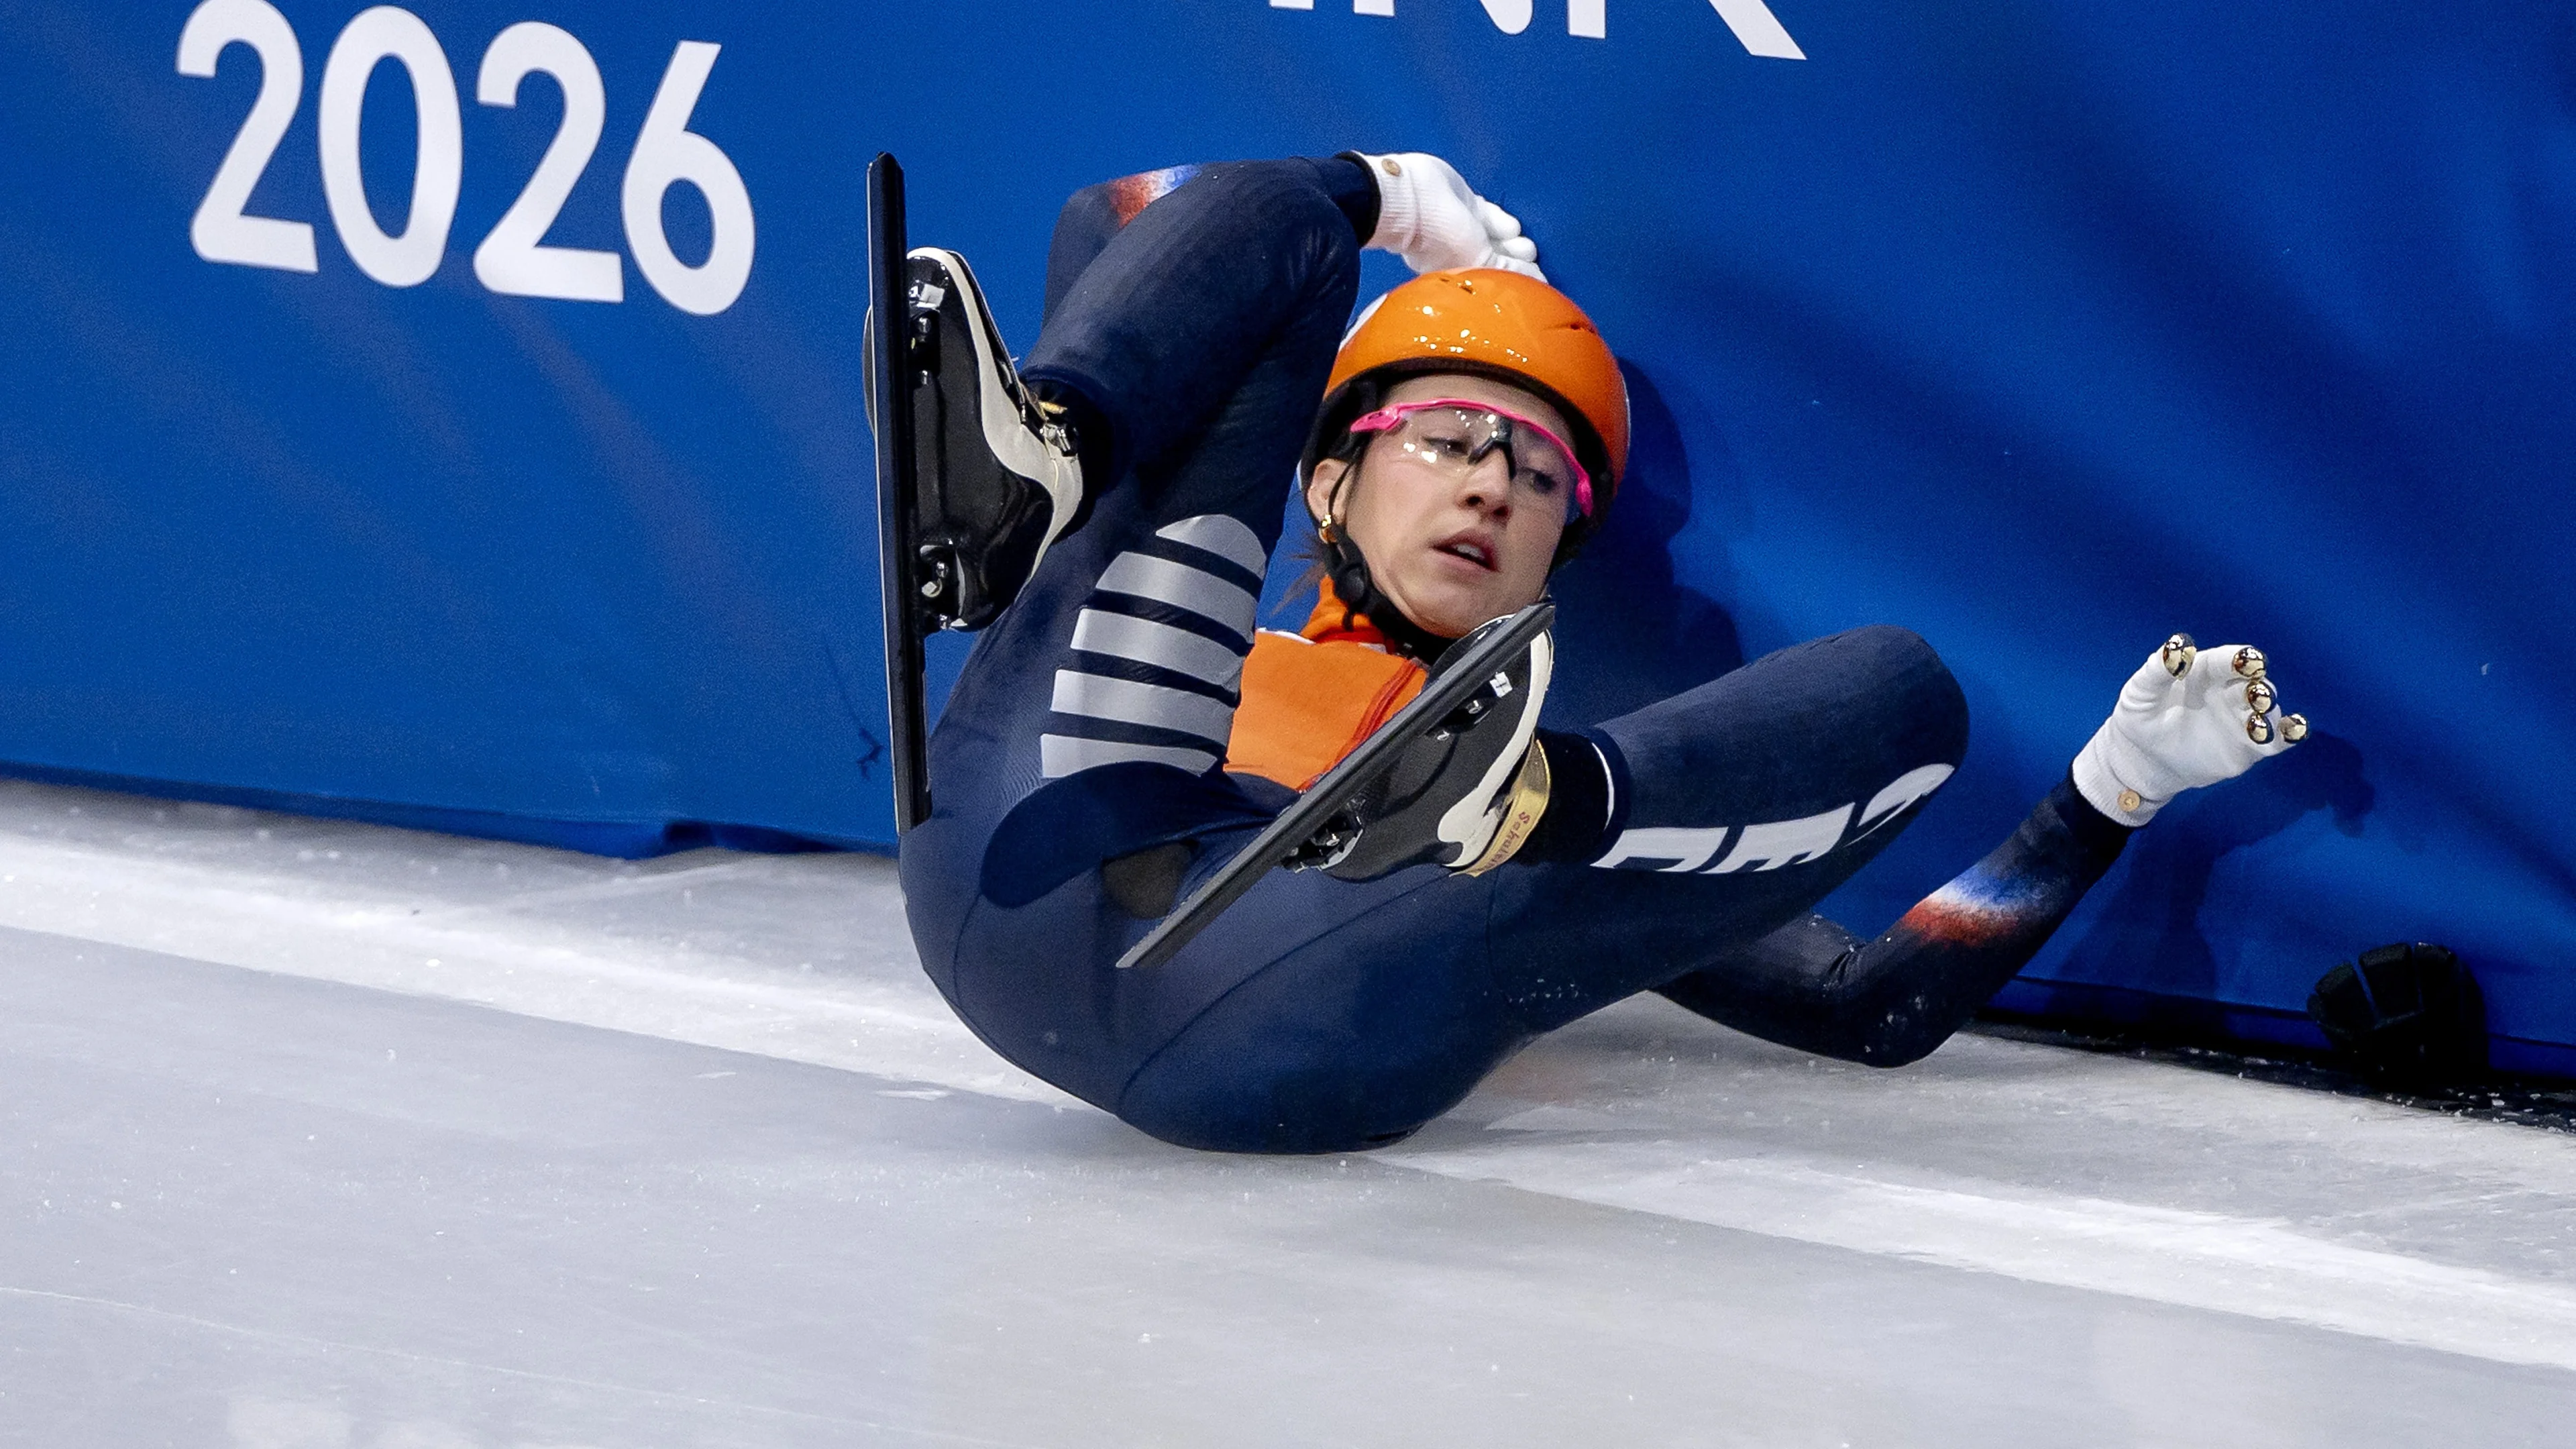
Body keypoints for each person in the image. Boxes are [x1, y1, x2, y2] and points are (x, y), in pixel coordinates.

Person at [893, 152, 2306, 1153]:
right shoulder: (1226, 636)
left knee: (1900, 691)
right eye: (1444, 439)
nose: (1491, 486)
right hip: (1044, 840)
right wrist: (1395, 197)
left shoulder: (1560, 770)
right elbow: (1124, 214)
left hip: (1289, 1006)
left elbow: (1863, 1005)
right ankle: (1047, 456)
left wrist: (2111, 788)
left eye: (1540, 476)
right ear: (1325, 483)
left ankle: (1490, 819)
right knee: (1292, 229)